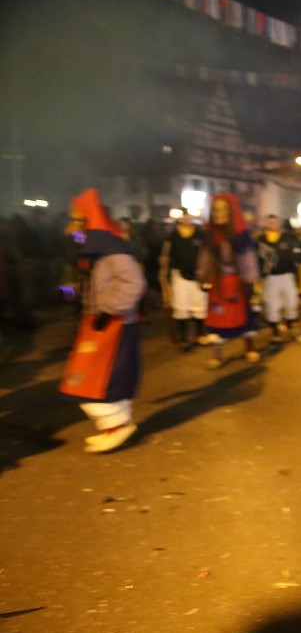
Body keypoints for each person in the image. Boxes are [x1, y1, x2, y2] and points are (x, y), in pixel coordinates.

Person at [59, 189, 145, 453]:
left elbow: (134, 283)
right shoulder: (92, 251)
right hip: (97, 322)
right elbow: (90, 286)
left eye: (77, 220)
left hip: (114, 324)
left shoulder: (113, 250)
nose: (70, 227)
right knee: (97, 378)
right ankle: (113, 426)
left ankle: (117, 427)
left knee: (89, 380)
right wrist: (68, 293)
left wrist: (109, 310)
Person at [197, 194, 261, 368]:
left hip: (236, 282)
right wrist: (203, 275)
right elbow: (205, 256)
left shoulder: (241, 235)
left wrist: (249, 279)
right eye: (216, 209)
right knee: (216, 316)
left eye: (223, 209)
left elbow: (248, 258)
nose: (219, 213)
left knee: (244, 316)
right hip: (217, 283)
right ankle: (218, 354)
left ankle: (250, 347)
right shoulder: (209, 235)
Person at [160, 211, 208, 351]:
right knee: (181, 306)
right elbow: (165, 257)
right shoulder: (172, 236)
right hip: (179, 275)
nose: (187, 218)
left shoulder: (201, 235)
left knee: (199, 304)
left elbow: (207, 253)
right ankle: (183, 337)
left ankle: (200, 333)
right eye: (184, 216)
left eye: (189, 216)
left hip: (198, 276)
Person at [257, 215, 301, 343]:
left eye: (274, 222)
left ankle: (290, 324)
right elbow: (258, 259)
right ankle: (275, 331)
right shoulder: (261, 240)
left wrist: (296, 270)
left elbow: (294, 255)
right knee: (272, 304)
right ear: (267, 223)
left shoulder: (287, 238)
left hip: (286, 275)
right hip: (270, 278)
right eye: (269, 222)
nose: (272, 224)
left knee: (291, 301)